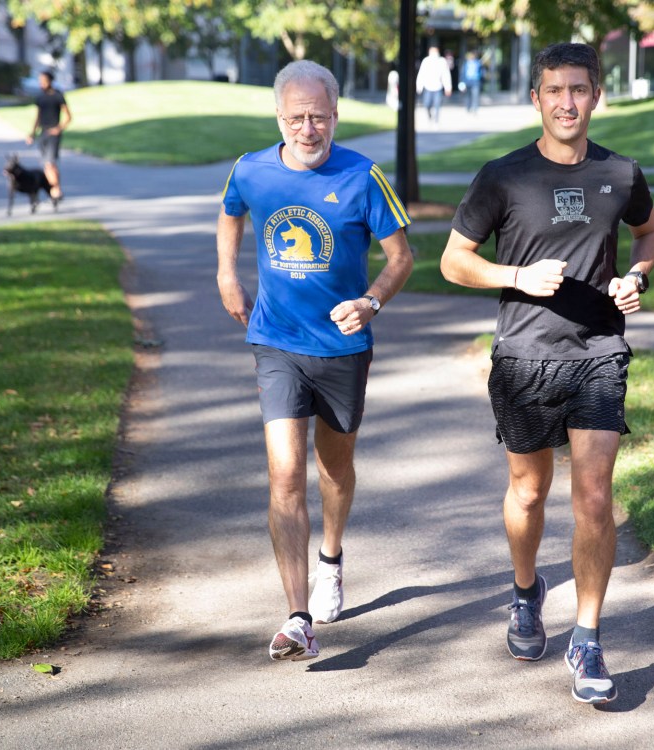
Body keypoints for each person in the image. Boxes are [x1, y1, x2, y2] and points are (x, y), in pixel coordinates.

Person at [439, 42, 654, 704]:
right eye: (555, 90)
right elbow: (454, 261)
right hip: (523, 355)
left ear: (598, 96)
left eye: (580, 89)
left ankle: (588, 638)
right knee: (530, 491)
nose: (568, 102)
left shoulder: (621, 173)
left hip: (598, 350)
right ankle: (525, 589)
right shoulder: (502, 177)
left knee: (594, 494)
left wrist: (635, 277)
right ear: (536, 98)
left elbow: (649, 234)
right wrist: (515, 276)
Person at [216, 60, 415, 662]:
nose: (309, 129)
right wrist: (226, 271)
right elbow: (231, 212)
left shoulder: (363, 176)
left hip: (343, 349)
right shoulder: (250, 169)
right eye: (298, 117)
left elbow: (401, 257)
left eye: (320, 117)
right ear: (279, 117)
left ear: (336, 116)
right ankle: (298, 616)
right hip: (275, 339)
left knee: (333, 470)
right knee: (285, 474)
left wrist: (371, 301)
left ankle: (331, 558)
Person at [25, 71, 71, 201]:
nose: (41, 83)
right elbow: (37, 117)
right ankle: (53, 189)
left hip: (53, 133)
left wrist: (59, 128)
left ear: (50, 81)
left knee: (50, 162)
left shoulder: (58, 96)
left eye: (43, 81)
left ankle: (56, 189)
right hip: (43, 132)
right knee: (45, 164)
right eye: (40, 81)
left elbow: (68, 116)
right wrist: (32, 134)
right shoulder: (40, 97)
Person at [415, 46, 452, 124]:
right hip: (428, 87)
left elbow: (446, 75)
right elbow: (421, 74)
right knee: (427, 104)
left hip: (438, 87)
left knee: (437, 104)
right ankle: (430, 115)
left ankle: (436, 120)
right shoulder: (426, 61)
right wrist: (419, 86)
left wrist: (448, 87)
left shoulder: (442, 61)